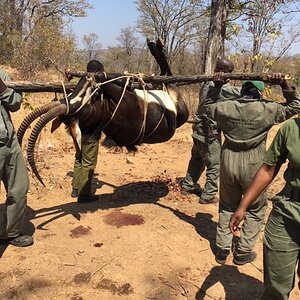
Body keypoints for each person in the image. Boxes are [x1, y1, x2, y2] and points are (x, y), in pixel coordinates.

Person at [204, 72, 300, 265]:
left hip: (228, 159)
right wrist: (284, 84)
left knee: (227, 205)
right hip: (255, 163)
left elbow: (206, 107)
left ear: (243, 90)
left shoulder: (227, 107)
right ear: (260, 92)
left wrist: (216, 85)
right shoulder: (267, 109)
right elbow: (295, 106)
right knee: (255, 208)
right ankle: (243, 251)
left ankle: (222, 248)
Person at [230, 117, 300, 300]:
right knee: (275, 285)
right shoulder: (291, 128)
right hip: (288, 211)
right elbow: (268, 169)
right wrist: (243, 205)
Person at [180, 58, 241, 204]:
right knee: (215, 164)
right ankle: (208, 195)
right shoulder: (222, 88)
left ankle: (188, 185)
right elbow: (242, 93)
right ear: (223, 72)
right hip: (208, 131)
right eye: (229, 73)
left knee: (197, 158)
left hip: (198, 127)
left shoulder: (206, 82)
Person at [0, 68, 33, 247]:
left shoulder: (2, 74)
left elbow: (16, 103)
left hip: (9, 142)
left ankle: (10, 233)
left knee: (19, 188)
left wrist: (2, 89)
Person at [71, 60, 104, 203]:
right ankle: (84, 194)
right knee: (89, 162)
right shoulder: (97, 87)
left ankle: (75, 188)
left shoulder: (79, 85)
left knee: (79, 157)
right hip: (90, 131)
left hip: (76, 128)